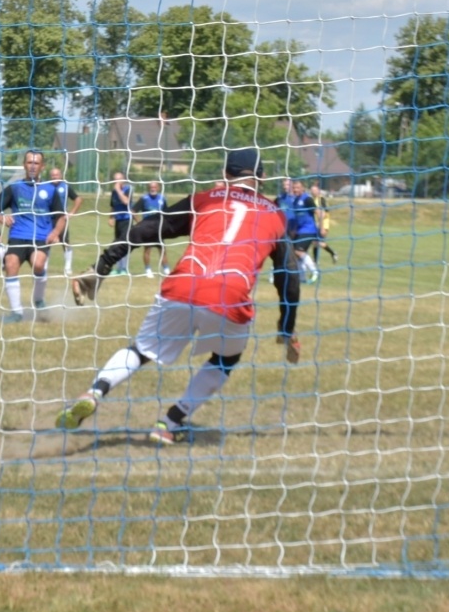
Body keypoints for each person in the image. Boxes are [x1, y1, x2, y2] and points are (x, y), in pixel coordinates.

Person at [56, 149, 301, 444]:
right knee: (226, 358)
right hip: (230, 296)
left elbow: (147, 228)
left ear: (225, 174)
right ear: (262, 177)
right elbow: (289, 275)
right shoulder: (275, 214)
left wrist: (103, 265)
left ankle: (95, 392)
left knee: (141, 351)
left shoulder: (204, 199)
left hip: (183, 285)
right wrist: (287, 327)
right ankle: (169, 423)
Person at [0, 150, 65, 320]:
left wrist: (55, 232)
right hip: (18, 235)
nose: (33, 166)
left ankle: (39, 299)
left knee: (38, 265)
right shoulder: (14, 188)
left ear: (42, 166)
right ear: (24, 165)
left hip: (41, 237)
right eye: (29, 163)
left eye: (36, 163)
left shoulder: (50, 189)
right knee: (10, 265)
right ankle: (17, 312)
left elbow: (61, 217)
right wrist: (2, 218)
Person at [285, 179, 322, 284]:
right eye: (294, 188)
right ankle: (302, 277)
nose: (295, 190)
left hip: (308, 230)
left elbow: (319, 212)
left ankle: (315, 271)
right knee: (294, 253)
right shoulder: (295, 201)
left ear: (303, 188)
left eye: (297, 188)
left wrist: (322, 227)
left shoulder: (307, 199)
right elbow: (297, 218)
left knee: (297, 251)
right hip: (299, 230)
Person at [49, 166, 84, 277]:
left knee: (65, 242)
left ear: (61, 176)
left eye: (56, 175)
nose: (54, 177)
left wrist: (72, 213)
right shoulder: (46, 186)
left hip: (62, 219)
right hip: (48, 218)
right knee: (45, 241)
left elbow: (78, 199)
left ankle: (68, 267)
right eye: (52, 175)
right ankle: (43, 265)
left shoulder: (65, 187)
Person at [132, 180, 170, 278]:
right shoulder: (144, 199)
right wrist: (139, 222)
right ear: (148, 188)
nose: (153, 189)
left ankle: (166, 269)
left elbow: (166, 212)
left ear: (158, 188)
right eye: (151, 187)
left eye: (155, 187)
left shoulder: (162, 198)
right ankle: (148, 269)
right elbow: (133, 211)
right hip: (148, 228)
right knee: (147, 249)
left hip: (159, 228)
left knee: (162, 249)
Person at [107, 170, 134, 274]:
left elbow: (126, 201)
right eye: (115, 180)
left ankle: (124, 268)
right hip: (118, 220)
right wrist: (111, 217)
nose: (116, 182)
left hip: (127, 220)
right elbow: (113, 205)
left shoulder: (128, 189)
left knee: (124, 243)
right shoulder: (114, 192)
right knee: (117, 244)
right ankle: (118, 268)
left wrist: (118, 190)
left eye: (119, 179)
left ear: (123, 180)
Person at [310, 183, 338, 264]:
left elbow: (324, 213)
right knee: (315, 242)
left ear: (318, 191)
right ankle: (316, 260)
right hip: (318, 224)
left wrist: (320, 225)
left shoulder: (321, 199)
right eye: (311, 190)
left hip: (323, 224)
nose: (312, 192)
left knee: (318, 242)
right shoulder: (314, 199)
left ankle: (333, 253)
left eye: (314, 190)